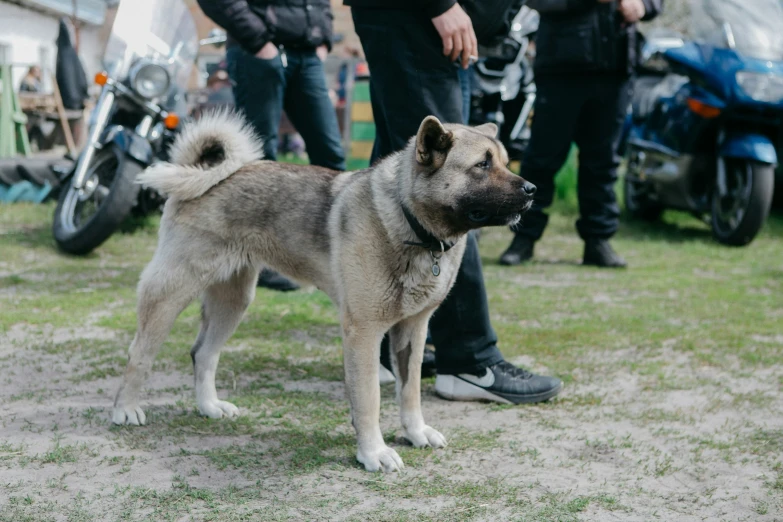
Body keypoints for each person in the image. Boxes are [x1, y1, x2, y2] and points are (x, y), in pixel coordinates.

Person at [346, 0, 563, 405]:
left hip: (429, 24)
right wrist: (440, 4)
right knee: (450, 190)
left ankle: (384, 347)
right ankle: (469, 360)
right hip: (422, 19)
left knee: (401, 173)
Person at [499, 0, 663, 268]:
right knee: (542, 158)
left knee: (604, 161)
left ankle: (597, 241)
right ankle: (523, 238)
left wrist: (643, 6)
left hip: (615, 69)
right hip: (561, 69)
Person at [198, 0, 346, 292]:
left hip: (307, 54)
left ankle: (336, 253)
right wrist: (258, 41)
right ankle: (258, 261)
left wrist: (322, 37)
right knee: (258, 162)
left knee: (330, 156)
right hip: (258, 51)